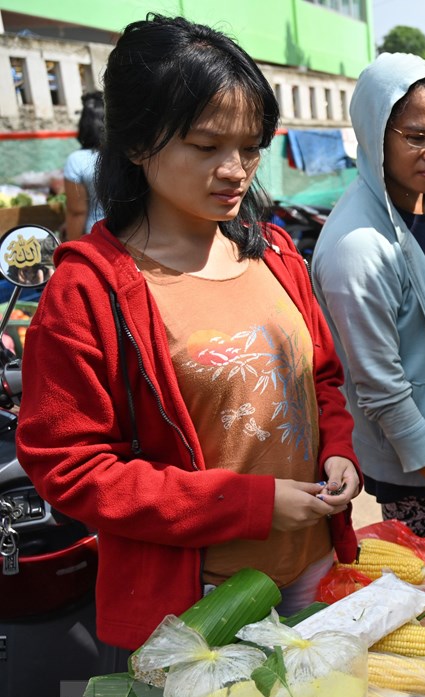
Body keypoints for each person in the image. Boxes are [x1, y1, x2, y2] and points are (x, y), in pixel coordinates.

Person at [15, 15, 363, 650]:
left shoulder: (276, 254)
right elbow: (70, 466)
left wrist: (338, 448)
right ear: (140, 142)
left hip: (315, 569)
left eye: (251, 147)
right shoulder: (89, 290)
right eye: (206, 147)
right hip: (200, 608)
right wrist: (247, 505)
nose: (236, 170)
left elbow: (321, 378)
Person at [311, 54, 425, 543]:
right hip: (418, 471)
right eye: (417, 137)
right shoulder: (358, 247)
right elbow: (382, 391)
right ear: (377, 135)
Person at [63, 90, 105, 241]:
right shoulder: (129, 155)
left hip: (95, 239)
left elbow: (77, 212)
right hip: (132, 238)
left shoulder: (76, 161)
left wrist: (68, 251)